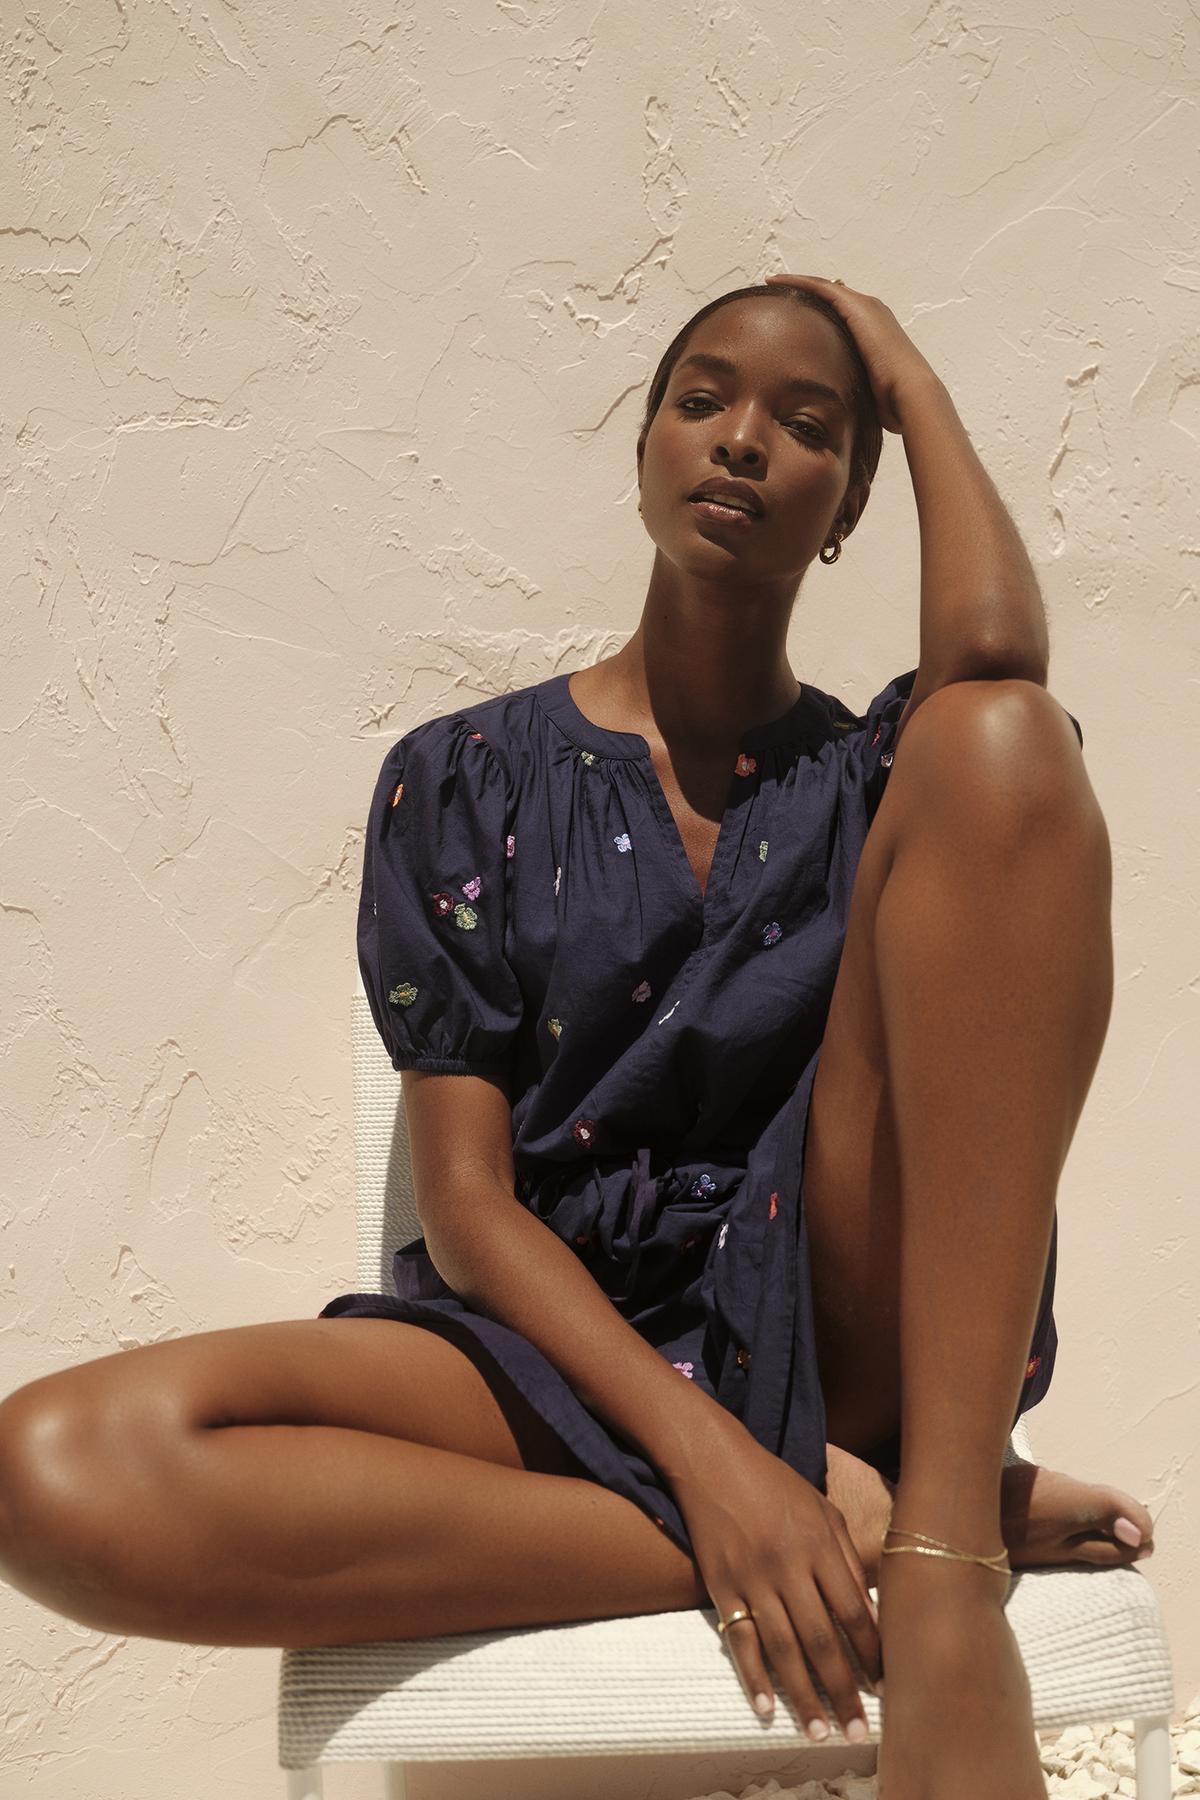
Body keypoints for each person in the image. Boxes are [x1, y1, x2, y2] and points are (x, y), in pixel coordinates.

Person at [0, 276, 1155, 1800]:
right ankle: (850, 1519)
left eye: (807, 428)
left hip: (833, 1304)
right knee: (53, 1466)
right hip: (565, 1345)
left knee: (1004, 739)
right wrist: (723, 1474)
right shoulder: (465, 776)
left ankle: (937, 1560)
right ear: (642, 451)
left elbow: (1001, 656)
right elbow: (471, 1210)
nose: (742, 442)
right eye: (703, 400)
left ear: (849, 503)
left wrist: (910, 376)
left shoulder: (876, 776)